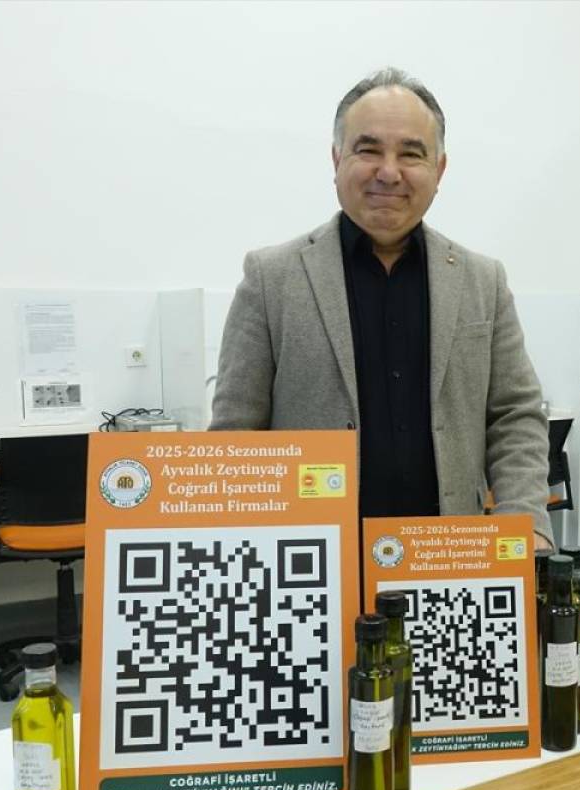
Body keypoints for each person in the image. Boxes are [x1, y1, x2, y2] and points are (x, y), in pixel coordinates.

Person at [210, 67, 552, 549]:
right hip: (316, 560)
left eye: (411, 154)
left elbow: (515, 415)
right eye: (368, 150)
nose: (389, 173)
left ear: (439, 170)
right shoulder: (271, 278)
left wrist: (526, 525)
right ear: (337, 159)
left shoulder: (482, 281)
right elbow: (236, 436)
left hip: (448, 556)